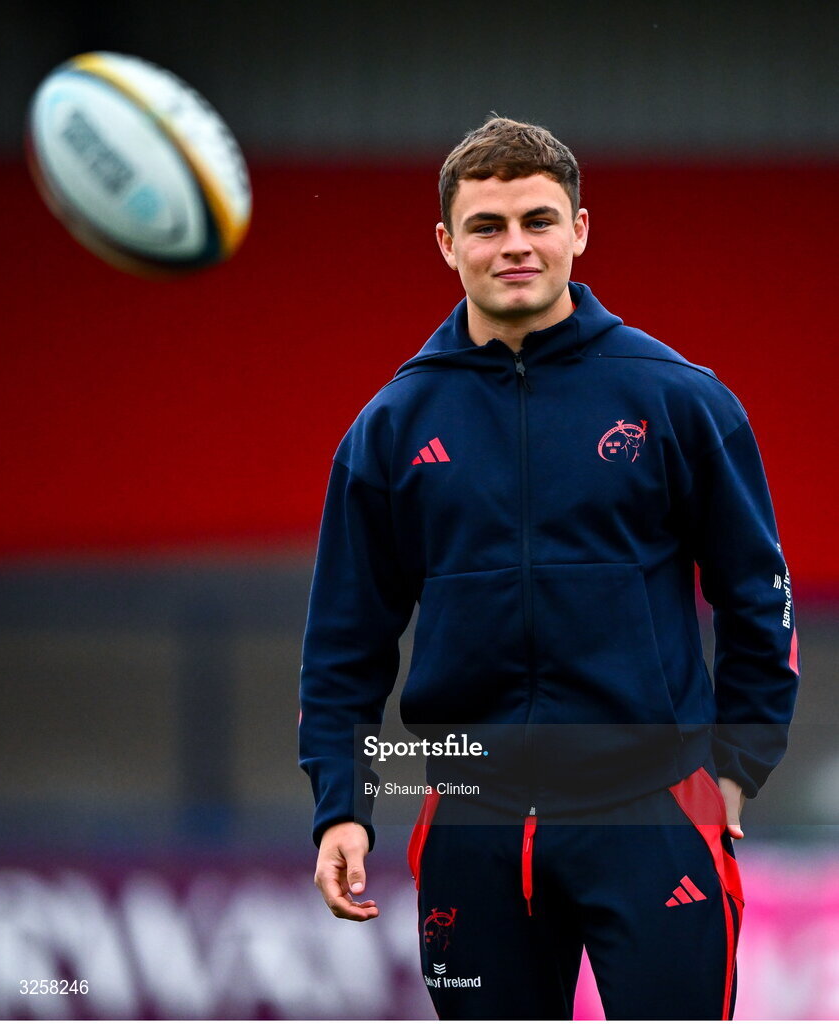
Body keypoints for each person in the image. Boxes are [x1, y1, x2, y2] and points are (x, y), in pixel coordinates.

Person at [299, 116, 799, 1020]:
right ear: (448, 244)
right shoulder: (391, 428)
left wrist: (737, 766)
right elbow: (343, 648)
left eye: (538, 219)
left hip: (652, 811)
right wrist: (343, 805)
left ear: (580, 229)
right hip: (469, 820)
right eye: (488, 226)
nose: (515, 245)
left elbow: (760, 598)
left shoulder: (680, 399)